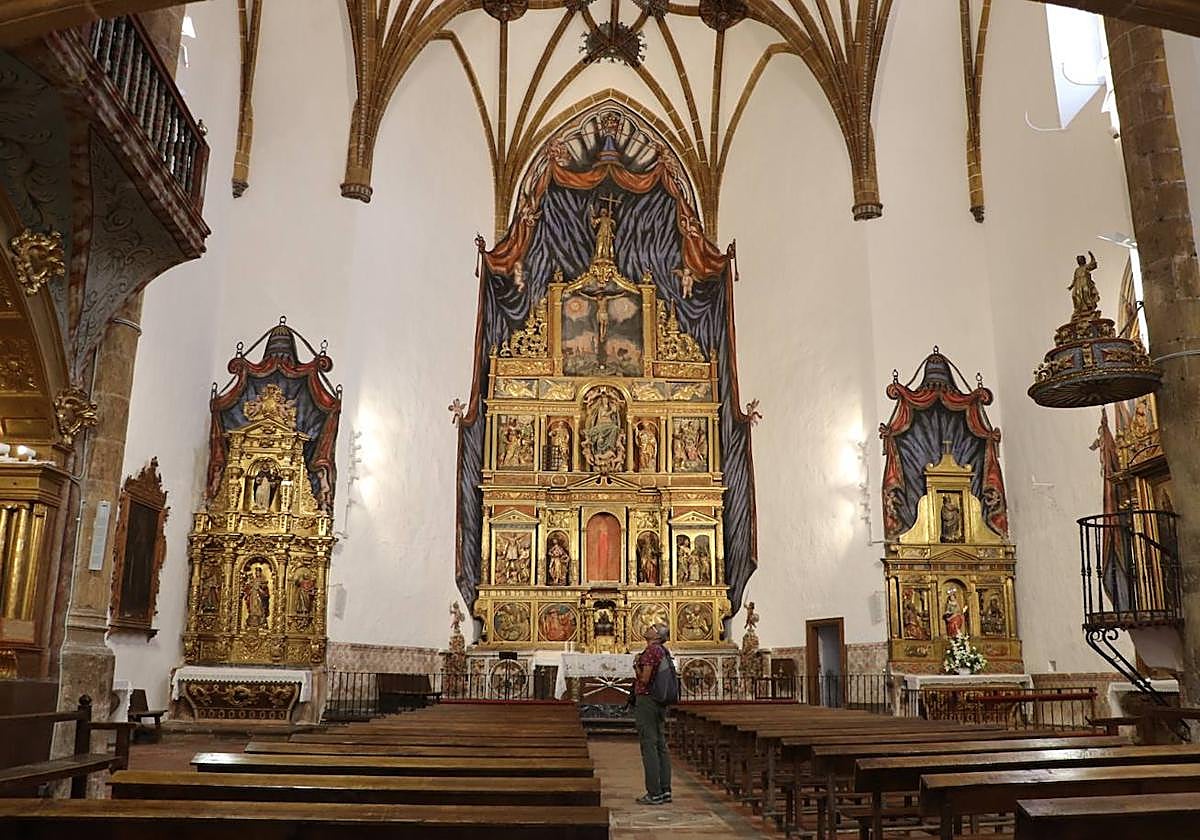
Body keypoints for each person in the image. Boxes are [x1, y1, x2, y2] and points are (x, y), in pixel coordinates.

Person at [632, 624, 672, 805]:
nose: (648, 627)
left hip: (647, 701)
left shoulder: (650, 651)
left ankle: (654, 792)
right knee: (660, 744)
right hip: (659, 700)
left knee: (649, 744)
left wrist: (636, 666)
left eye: (652, 627)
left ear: (657, 636)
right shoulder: (663, 650)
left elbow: (645, 679)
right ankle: (665, 789)